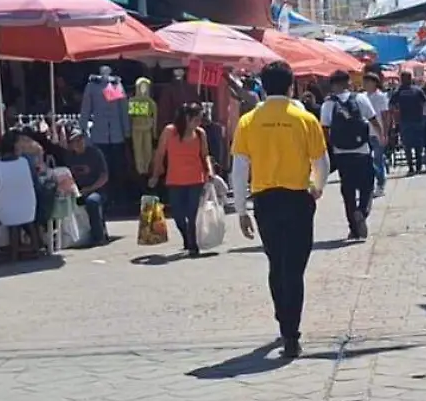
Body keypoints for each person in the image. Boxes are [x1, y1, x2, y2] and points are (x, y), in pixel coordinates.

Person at [232, 61, 331, 359]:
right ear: (291, 86)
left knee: (276, 263)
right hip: (298, 199)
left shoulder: (249, 121)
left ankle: (283, 321)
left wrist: (240, 210)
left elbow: (239, 169)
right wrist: (317, 187)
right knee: (295, 269)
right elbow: (322, 162)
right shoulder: (304, 119)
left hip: (265, 201)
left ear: (264, 85)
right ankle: (292, 334)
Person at [150, 102, 214, 257]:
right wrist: (155, 175)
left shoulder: (200, 133)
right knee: (178, 215)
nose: (198, 123)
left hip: (196, 178)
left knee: (192, 214)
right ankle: (186, 236)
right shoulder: (169, 132)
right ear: (187, 118)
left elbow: (205, 154)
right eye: (196, 119)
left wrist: (210, 170)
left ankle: (193, 245)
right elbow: (160, 154)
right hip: (175, 179)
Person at [320, 70, 377, 240]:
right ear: (348, 82)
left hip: (341, 153)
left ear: (333, 85)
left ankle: (353, 228)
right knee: (367, 186)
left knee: (348, 190)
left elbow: (324, 128)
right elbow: (372, 119)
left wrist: (329, 147)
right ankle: (362, 211)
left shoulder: (328, 104)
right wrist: (382, 135)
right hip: (362, 151)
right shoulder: (360, 98)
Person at [63, 125, 111, 246]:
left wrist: (90, 189)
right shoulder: (69, 157)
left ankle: (99, 237)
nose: (79, 143)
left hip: (97, 190)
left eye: (80, 139)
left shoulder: (95, 153)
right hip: (76, 190)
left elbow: (104, 176)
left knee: (92, 201)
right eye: (75, 141)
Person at [389, 71, 426, 174]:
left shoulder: (398, 91)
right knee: (417, 144)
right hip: (416, 120)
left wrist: (395, 115)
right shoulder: (417, 90)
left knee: (408, 145)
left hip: (405, 121)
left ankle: (411, 167)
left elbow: (391, 105)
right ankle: (418, 166)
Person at [363, 71, 391, 195]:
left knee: (377, 159)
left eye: (368, 82)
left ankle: (380, 185)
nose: (365, 84)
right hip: (365, 132)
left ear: (375, 83)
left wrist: (385, 133)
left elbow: (385, 116)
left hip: (377, 132)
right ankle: (370, 184)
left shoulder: (381, 97)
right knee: (367, 161)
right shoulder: (362, 97)